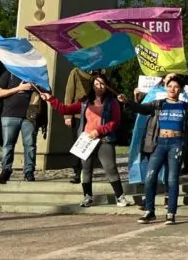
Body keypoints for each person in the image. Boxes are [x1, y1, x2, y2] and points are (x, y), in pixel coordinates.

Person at [42, 73, 130, 208]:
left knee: (110, 167)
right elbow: (65, 108)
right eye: (96, 84)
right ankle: (87, 196)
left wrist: (99, 131)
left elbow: (115, 122)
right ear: (92, 86)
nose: (99, 87)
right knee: (86, 169)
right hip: (87, 139)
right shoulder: (85, 102)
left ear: (107, 85)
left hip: (104, 140)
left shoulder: (113, 102)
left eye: (102, 84)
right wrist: (51, 99)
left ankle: (120, 197)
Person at [119, 75, 188, 225]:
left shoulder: (185, 107)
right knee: (150, 177)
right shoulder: (158, 104)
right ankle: (149, 211)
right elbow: (142, 108)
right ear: (166, 87)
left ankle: (171, 213)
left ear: (181, 89)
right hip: (159, 144)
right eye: (170, 86)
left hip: (176, 144)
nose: (172, 89)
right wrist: (128, 102)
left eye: (176, 87)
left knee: (172, 180)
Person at [0, 72, 43, 183]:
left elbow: (45, 91)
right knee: (8, 145)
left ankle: (29, 172)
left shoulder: (34, 74)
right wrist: (18, 88)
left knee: (30, 145)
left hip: (30, 116)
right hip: (10, 115)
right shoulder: (9, 73)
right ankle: (6, 170)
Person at [63, 67, 104, 184]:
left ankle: (87, 170)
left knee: (92, 143)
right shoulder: (76, 72)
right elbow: (69, 94)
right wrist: (67, 115)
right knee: (78, 143)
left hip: (94, 115)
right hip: (78, 115)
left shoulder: (98, 74)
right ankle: (77, 171)